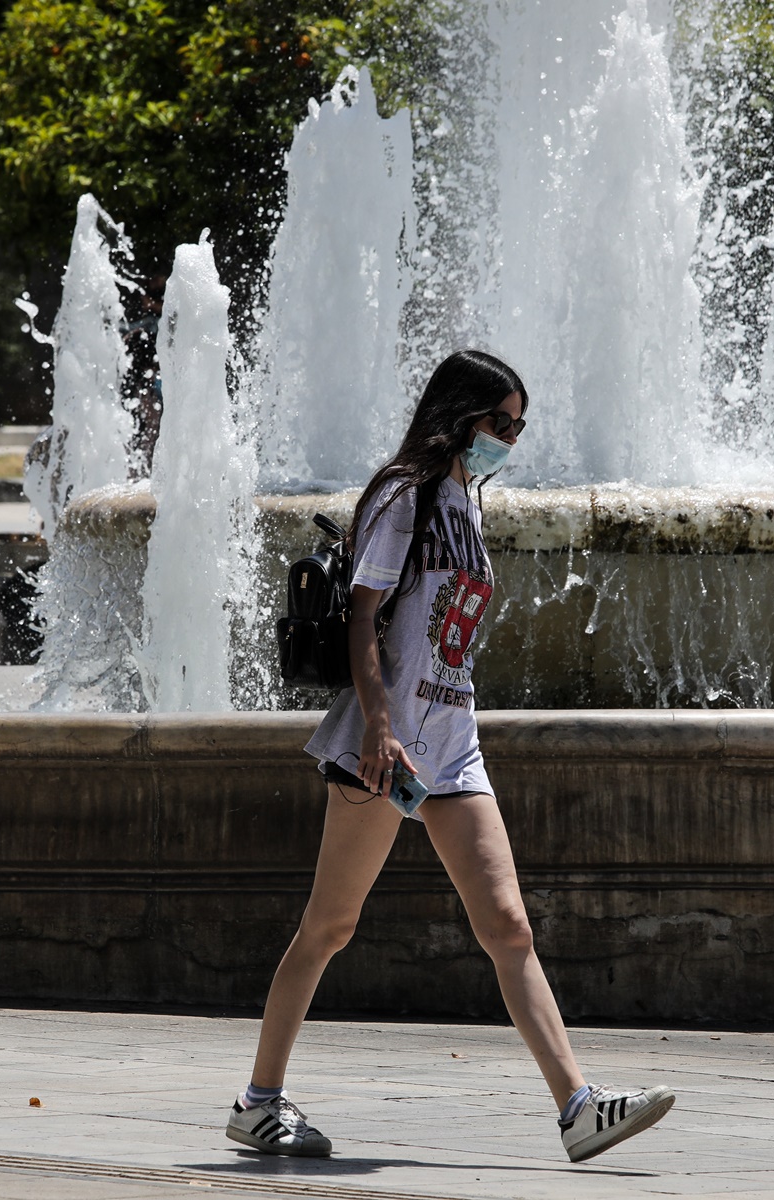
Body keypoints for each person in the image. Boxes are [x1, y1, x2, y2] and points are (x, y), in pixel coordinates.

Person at [226, 350, 674, 1165]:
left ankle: (578, 1108)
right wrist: (378, 726)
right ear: (459, 415)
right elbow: (364, 620)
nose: (510, 437)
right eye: (499, 422)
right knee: (328, 928)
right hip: (387, 745)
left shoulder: (468, 500)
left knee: (507, 924)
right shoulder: (406, 493)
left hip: (453, 745)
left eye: (518, 426)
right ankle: (259, 1102)